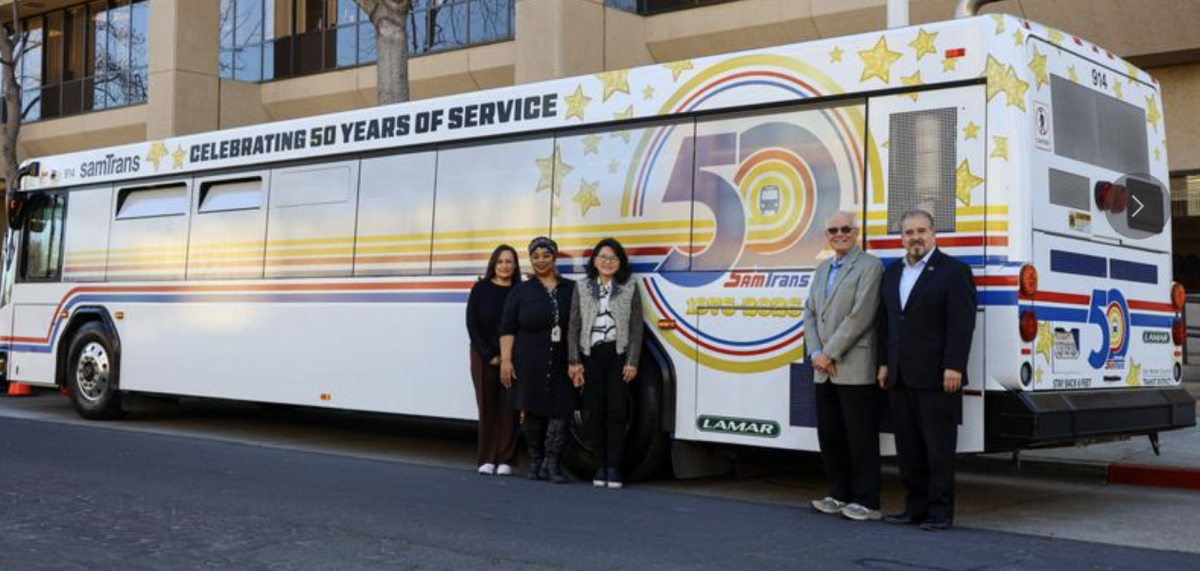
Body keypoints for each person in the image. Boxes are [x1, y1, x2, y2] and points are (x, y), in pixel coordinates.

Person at [876, 209, 977, 531]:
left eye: (921, 231)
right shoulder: (892, 272)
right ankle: (914, 508)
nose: (915, 237)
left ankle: (940, 512)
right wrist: (884, 363)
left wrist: (954, 366)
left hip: (938, 377)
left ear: (933, 234)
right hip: (899, 375)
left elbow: (961, 325)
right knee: (908, 449)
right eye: (908, 232)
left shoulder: (954, 271)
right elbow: (886, 323)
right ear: (901, 238)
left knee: (938, 449)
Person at [803, 211, 884, 521]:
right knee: (831, 434)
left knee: (860, 437)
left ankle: (867, 500)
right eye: (833, 230)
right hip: (822, 367)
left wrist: (830, 354)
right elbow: (810, 313)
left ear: (856, 232)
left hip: (853, 365)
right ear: (827, 236)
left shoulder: (870, 266)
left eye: (846, 229)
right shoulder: (822, 268)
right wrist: (816, 353)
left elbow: (861, 316)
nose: (840, 234)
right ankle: (839, 493)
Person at [568, 238, 644, 490]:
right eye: (602, 257)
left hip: (618, 355)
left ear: (620, 262)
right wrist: (574, 361)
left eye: (613, 258)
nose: (607, 262)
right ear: (594, 261)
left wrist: (632, 361)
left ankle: (614, 467)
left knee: (617, 412)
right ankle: (599, 465)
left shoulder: (630, 287)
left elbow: (636, 327)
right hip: (590, 356)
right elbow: (574, 325)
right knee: (594, 412)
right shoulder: (582, 287)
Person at [499, 237, 577, 484]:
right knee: (531, 410)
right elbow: (507, 327)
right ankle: (536, 461)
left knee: (561, 410)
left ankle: (551, 464)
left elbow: (579, 326)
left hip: (562, 359)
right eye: (535, 256)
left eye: (546, 255)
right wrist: (506, 360)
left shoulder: (572, 289)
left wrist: (577, 361)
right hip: (528, 359)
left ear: (555, 257)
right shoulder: (521, 291)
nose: (540, 260)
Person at [465, 245, 520, 476]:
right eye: (500, 261)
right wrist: (489, 355)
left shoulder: (520, 290)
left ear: (515, 265)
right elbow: (472, 324)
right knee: (487, 407)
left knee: (510, 409)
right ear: (493, 264)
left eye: (509, 262)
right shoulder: (481, 288)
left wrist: (508, 357)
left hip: (513, 359)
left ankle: (505, 459)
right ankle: (486, 458)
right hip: (483, 356)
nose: (504, 266)